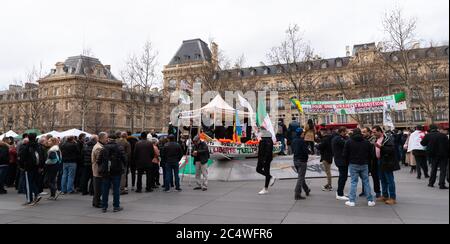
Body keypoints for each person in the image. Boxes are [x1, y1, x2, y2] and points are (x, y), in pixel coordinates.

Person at [342, 128, 376, 207]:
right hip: (364, 164)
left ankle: (352, 201)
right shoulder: (366, 142)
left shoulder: (349, 142)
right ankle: (370, 200)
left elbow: (344, 154)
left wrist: (348, 161)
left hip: (353, 164)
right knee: (366, 182)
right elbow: (371, 154)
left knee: (353, 182)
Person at [97, 134, 126, 213]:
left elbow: (98, 160)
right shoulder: (119, 148)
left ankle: (104, 206)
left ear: (109, 139)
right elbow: (124, 159)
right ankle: (116, 206)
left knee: (105, 189)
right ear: (116, 139)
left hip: (106, 171)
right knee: (116, 189)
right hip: (116, 171)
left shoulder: (104, 148)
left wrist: (103, 166)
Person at [373, 126, 399, 205]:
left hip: (387, 161)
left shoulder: (388, 138)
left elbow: (391, 150)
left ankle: (392, 198)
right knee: (382, 179)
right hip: (379, 161)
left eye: (374, 132)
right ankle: (385, 195)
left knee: (389, 180)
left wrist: (381, 147)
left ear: (379, 131)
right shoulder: (376, 139)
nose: (373, 134)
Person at [18, 133, 44, 206]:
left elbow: (21, 158)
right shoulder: (38, 145)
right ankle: (36, 194)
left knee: (28, 184)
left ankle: (29, 200)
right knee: (33, 182)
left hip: (28, 167)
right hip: (37, 166)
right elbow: (42, 156)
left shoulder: (26, 146)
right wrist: (41, 166)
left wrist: (21, 166)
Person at [421, 125, 449, 189]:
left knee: (433, 169)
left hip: (433, 155)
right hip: (443, 155)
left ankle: (431, 183)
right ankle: (441, 184)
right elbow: (447, 146)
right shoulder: (443, 135)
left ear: (430, 129)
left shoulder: (428, 135)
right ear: (437, 129)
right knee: (443, 170)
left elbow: (422, 143)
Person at [291, 128, 310, 200]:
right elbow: (305, 151)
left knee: (301, 176)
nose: (303, 134)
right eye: (303, 133)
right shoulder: (302, 141)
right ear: (300, 134)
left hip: (295, 160)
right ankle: (297, 193)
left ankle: (306, 189)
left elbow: (293, 150)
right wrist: (308, 153)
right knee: (301, 178)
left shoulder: (294, 140)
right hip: (302, 161)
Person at [256, 129, 275, 195]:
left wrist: (264, 159)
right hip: (262, 158)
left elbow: (268, 151)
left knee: (266, 171)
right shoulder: (264, 140)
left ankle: (265, 188)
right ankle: (270, 177)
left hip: (265, 159)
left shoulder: (267, 141)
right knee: (258, 169)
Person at [332, 127, 349, 201]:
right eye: (345, 132)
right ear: (342, 132)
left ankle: (339, 192)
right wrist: (348, 138)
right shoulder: (339, 139)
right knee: (343, 177)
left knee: (342, 177)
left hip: (340, 160)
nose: (346, 133)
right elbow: (347, 144)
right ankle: (340, 194)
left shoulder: (337, 138)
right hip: (341, 160)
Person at [91, 132, 108, 208]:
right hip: (98, 170)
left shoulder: (100, 146)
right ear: (102, 138)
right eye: (106, 138)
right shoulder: (99, 147)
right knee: (98, 188)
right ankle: (97, 202)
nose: (107, 139)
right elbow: (99, 160)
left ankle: (96, 201)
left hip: (98, 170)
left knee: (98, 187)